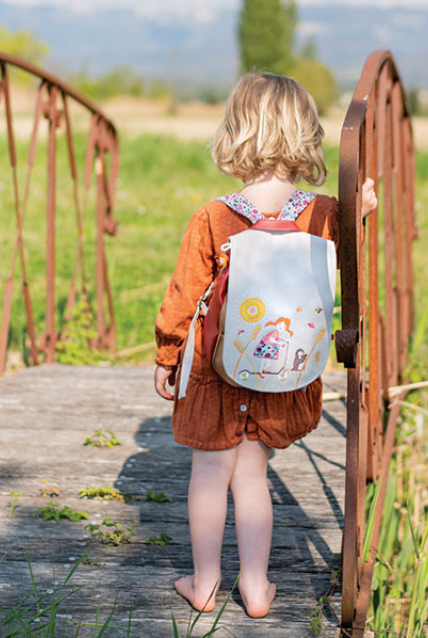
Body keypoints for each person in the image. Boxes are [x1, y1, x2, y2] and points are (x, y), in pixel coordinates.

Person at [154, 73, 377, 618]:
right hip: (281, 369)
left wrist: (167, 355)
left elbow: (184, 295)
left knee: (209, 474)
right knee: (253, 475)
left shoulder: (213, 216)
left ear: (236, 133)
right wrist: (359, 216)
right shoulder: (323, 213)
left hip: (216, 370)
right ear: (305, 135)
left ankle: (205, 583)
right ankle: (256, 587)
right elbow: (343, 272)